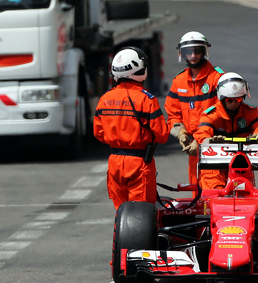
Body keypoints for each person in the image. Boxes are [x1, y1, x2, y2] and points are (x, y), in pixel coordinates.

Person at [94, 47, 170, 211]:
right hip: (139, 163)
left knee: (121, 212)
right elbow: (162, 135)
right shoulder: (146, 99)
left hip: (114, 162)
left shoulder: (105, 98)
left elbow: (98, 133)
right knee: (139, 213)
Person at [164, 31, 224, 189]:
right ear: (181, 53)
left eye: (197, 50)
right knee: (196, 193)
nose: (193, 55)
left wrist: (201, 139)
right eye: (188, 51)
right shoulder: (179, 81)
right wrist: (180, 132)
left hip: (216, 145)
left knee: (215, 193)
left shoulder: (218, 78)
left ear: (204, 52)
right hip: (193, 147)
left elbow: (223, 113)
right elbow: (173, 114)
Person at [193, 72, 258, 188]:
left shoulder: (249, 111)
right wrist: (207, 141)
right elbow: (203, 133)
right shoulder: (211, 115)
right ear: (222, 98)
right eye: (229, 100)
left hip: (241, 164)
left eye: (238, 99)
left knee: (244, 195)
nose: (234, 103)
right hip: (215, 165)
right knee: (214, 196)